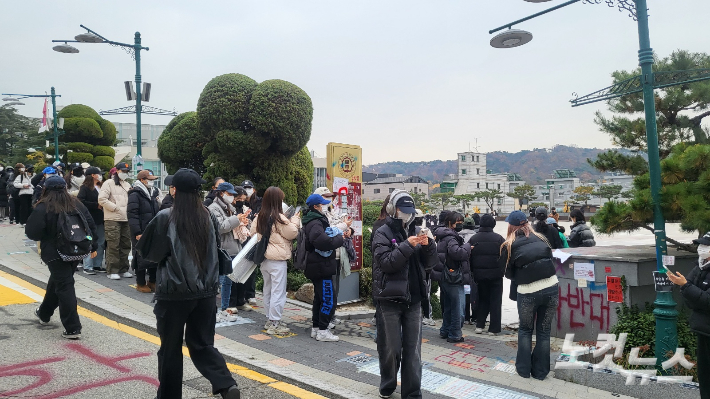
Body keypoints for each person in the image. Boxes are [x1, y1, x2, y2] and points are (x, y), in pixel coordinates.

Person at [136, 168, 240, 399]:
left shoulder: (166, 217)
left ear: (175, 191)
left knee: (170, 349)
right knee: (203, 344)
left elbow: (149, 253)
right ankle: (226, 385)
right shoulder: (208, 216)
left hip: (174, 292)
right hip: (206, 293)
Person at [372, 189, 438, 399]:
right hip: (389, 299)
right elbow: (386, 263)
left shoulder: (419, 230)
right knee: (391, 348)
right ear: (393, 209)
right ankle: (388, 383)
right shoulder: (382, 231)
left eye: (410, 211)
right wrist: (407, 245)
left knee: (413, 350)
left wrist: (429, 246)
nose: (407, 214)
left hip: (415, 299)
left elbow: (430, 264)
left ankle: (412, 393)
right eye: (403, 210)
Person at [27, 176, 97, 340]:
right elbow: (90, 224)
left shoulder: (43, 206)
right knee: (59, 281)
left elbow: (33, 232)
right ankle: (44, 313)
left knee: (64, 285)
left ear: (46, 189)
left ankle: (73, 327)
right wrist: (93, 246)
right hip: (76, 250)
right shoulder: (76, 203)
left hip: (54, 253)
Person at [501, 210, 558, 380]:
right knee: (544, 331)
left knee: (525, 330)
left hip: (527, 292)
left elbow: (508, 273)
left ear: (511, 226)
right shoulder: (541, 238)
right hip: (551, 288)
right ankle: (541, 372)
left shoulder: (508, 245)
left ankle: (524, 370)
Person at [249, 186, 300, 335]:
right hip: (277, 260)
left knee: (268, 290)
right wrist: (295, 220)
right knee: (278, 292)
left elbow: (253, 233)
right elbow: (293, 233)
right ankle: (275, 323)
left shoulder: (260, 216)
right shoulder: (279, 217)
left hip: (264, 258)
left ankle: (269, 319)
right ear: (278, 201)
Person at [667, 232, 710, 399]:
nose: (701, 248)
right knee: (705, 375)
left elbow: (706, 300)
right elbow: (690, 298)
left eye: (706, 245)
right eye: (701, 245)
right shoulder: (699, 267)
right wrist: (685, 286)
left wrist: (685, 285)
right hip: (703, 329)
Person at [302, 193, 347, 342]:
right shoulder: (315, 222)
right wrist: (340, 239)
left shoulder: (313, 220)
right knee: (328, 299)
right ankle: (323, 330)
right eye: (322, 204)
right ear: (316, 206)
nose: (325, 206)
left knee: (319, 299)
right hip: (321, 265)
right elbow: (322, 242)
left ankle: (316, 328)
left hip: (317, 265)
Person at [207, 182, 250, 321]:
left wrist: (241, 220)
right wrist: (236, 219)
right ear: (221, 193)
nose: (232, 197)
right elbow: (220, 227)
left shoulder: (228, 207)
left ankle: (224, 309)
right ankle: (214, 310)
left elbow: (230, 224)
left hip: (232, 247)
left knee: (228, 280)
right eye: (230, 194)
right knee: (220, 280)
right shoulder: (214, 208)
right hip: (222, 248)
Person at [432, 211, 471, 343]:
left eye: (461, 222)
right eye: (458, 222)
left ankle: (445, 330)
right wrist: (467, 247)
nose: (460, 224)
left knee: (448, 306)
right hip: (453, 277)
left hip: (445, 276)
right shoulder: (451, 238)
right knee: (458, 307)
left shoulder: (442, 235)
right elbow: (457, 254)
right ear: (450, 223)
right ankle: (454, 334)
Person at [469, 214, 505, 334]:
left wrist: (473, 271)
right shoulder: (499, 239)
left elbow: (468, 256)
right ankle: (493, 328)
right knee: (495, 301)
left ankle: (480, 325)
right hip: (496, 275)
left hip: (479, 275)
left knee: (482, 299)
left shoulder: (474, 239)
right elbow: (505, 256)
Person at [127, 170, 161, 292]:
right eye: (149, 179)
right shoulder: (135, 194)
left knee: (153, 256)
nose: (152, 182)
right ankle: (140, 283)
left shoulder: (153, 193)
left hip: (152, 229)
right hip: (140, 231)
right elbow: (132, 214)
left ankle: (152, 281)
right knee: (140, 256)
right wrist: (137, 232)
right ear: (142, 180)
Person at [99, 162, 133, 280]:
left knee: (126, 245)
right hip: (112, 218)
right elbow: (102, 199)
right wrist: (115, 208)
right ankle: (112, 270)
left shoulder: (127, 184)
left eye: (126, 172)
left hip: (125, 218)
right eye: (123, 171)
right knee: (113, 245)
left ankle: (124, 269)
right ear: (117, 170)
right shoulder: (109, 183)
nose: (125, 173)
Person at [78, 167, 107, 274]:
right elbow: (81, 201)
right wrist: (96, 205)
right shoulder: (85, 188)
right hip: (90, 218)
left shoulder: (102, 186)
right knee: (89, 241)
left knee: (100, 241)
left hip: (101, 218)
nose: (100, 176)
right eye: (99, 174)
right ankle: (88, 266)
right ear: (93, 175)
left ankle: (97, 265)